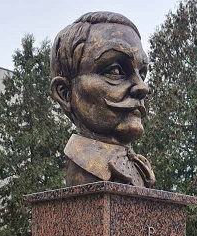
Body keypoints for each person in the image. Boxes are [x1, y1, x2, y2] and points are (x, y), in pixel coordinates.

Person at [50, 12, 155, 187]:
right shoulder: (82, 171)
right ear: (65, 94)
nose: (143, 87)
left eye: (142, 74)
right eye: (115, 71)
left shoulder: (140, 169)